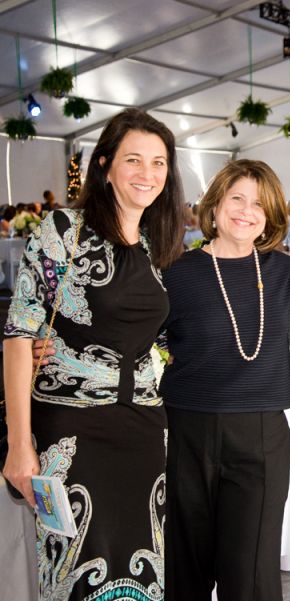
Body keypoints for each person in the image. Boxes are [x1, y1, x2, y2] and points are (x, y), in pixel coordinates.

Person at [2, 108, 184, 600]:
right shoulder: (64, 229)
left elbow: (166, 340)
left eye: (159, 163)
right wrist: (20, 444)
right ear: (104, 165)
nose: (148, 174)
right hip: (71, 431)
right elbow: (20, 333)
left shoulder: (160, 245)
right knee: (74, 569)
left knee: (143, 571)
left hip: (145, 432)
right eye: (134, 160)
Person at [160, 159, 290, 600]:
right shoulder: (175, 272)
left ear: (270, 216)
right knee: (186, 571)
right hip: (187, 431)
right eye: (237, 198)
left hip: (260, 436)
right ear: (214, 204)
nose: (246, 211)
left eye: (259, 204)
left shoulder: (287, 272)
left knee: (251, 578)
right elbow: (135, 335)